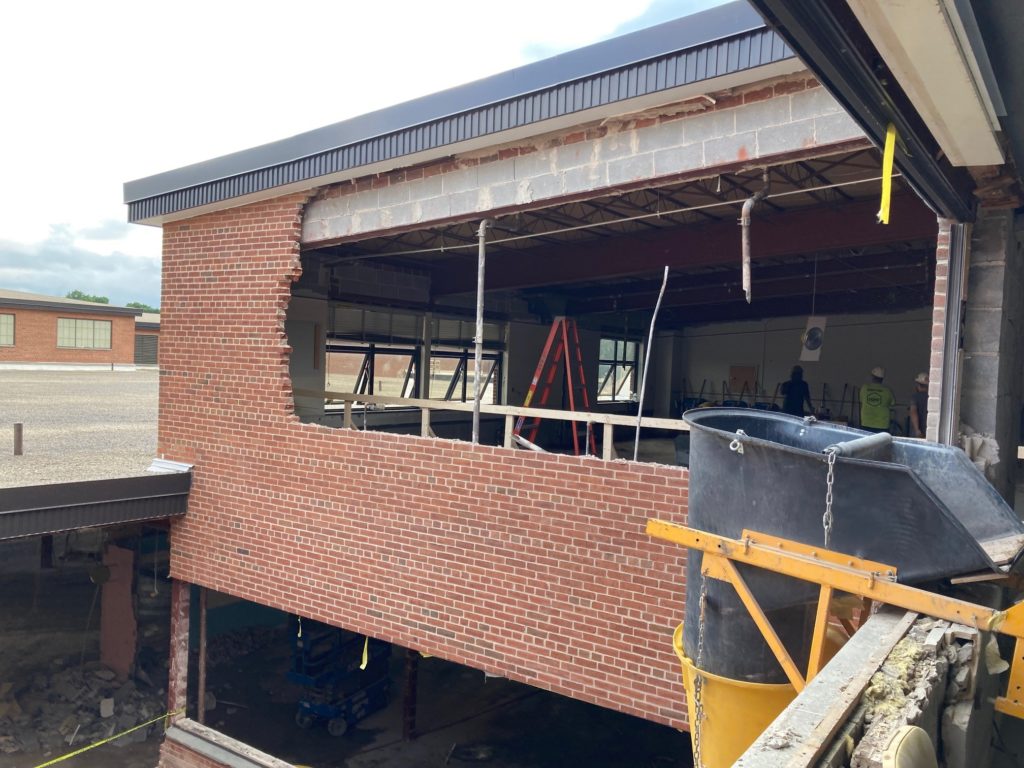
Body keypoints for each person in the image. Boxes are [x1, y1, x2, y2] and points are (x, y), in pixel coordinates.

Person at [859, 366, 895, 433]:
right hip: (882, 424)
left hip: (866, 422)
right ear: (882, 379)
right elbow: (892, 403)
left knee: (867, 443)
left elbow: (862, 400)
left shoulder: (864, 388)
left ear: (872, 376)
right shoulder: (887, 391)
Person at [909, 372, 928, 438]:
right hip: (928, 432)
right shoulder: (931, 398)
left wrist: (917, 430)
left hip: (918, 433)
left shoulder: (915, 397)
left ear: (918, 385)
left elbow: (913, 412)